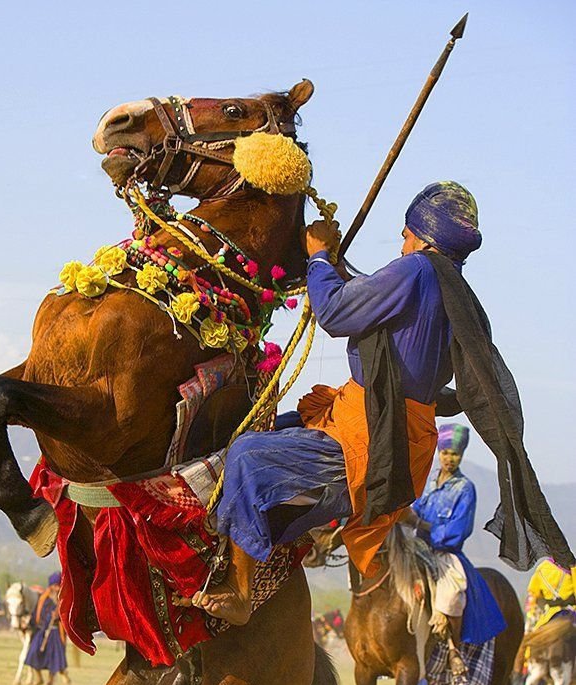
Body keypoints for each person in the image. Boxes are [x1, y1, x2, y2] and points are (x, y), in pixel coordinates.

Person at [187, 181, 484, 625]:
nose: (402, 244)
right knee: (277, 426)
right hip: (394, 437)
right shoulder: (455, 291)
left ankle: (239, 591)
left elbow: (336, 314)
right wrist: (339, 268)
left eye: (405, 234)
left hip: (372, 437)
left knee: (249, 455)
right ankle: (254, 546)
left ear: (423, 237)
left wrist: (320, 257)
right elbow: (426, 372)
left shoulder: (418, 270)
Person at [404, 423, 505, 674]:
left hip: (445, 553)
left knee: (451, 593)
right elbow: (413, 512)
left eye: (455, 454)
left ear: (461, 456)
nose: (450, 458)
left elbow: (457, 530)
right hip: (416, 545)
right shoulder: (427, 484)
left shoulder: (465, 489)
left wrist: (421, 523)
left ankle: (453, 649)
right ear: (439, 453)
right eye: (446, 453)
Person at [23, 573, 70, 685]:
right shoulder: (43, 599)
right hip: (42, 631)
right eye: (55, 585)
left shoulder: (63, 599)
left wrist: (58, 615)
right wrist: (29, 624)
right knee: (33, 653)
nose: (57, 588)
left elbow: (67, 614)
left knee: (53, 657)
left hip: (56, 632)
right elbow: (36, 614)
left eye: (59, 585)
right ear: (50, 586)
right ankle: (39, 678)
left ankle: (50, 680)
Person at [524, 558, 576, 632]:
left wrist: (529, 629)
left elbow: (533, 597)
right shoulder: (573, 567)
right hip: (571, 613)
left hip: (549, 616)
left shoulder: (541, 568)